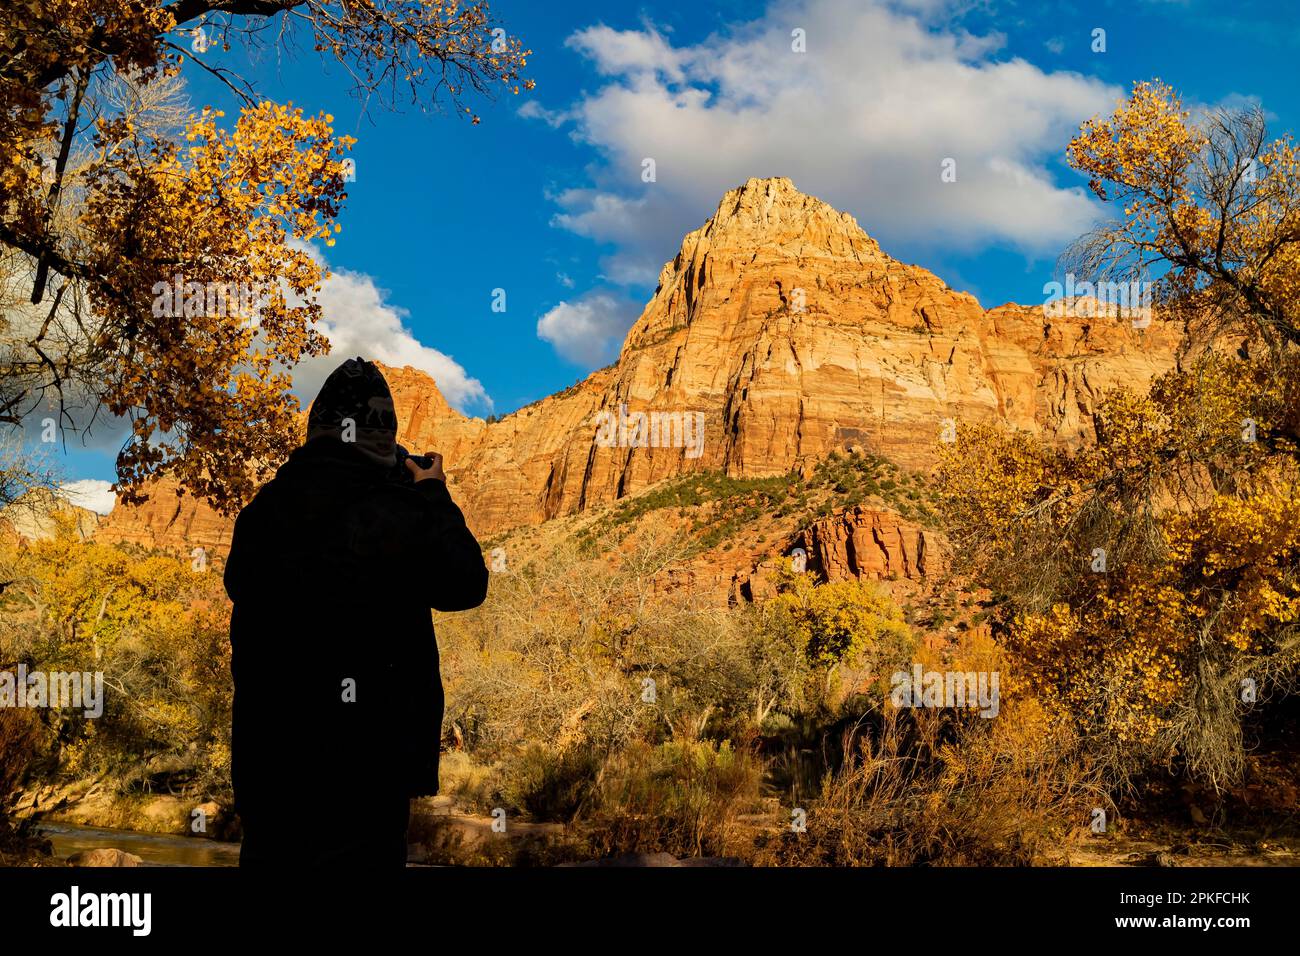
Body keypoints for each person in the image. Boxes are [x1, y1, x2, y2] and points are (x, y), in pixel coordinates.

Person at [223, 357, 488, 867]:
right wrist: (432, 492)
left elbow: (243, 587)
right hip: (369, 771)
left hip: (271, 767)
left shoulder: (263, 511)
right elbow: (466, 584)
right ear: (385, 437)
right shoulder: (397, 511)